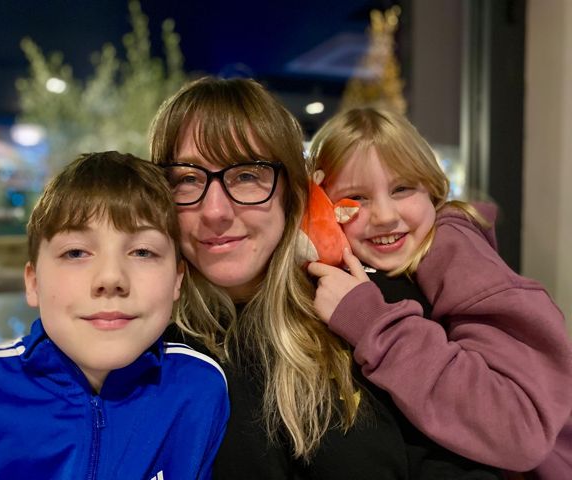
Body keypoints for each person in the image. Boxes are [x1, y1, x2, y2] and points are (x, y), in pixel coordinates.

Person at [150, 76, 502, 478]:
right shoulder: (144, 344)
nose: (215, 211)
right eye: (188, 179)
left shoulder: (371, 311)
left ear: (292, 193)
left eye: (247, 176)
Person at [307, 107, 572, 479]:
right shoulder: (365, 270)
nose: (384, 215)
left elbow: (519, 432)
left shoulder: (458, 256)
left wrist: (372, 323)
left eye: (402, 188)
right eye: (356, 198)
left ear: (433, 190)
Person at [0, 151, 228, 479]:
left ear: (177, 280)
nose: (111, 279)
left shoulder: (198, 388)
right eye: (76, 253)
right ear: (33, 283)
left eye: (143, 252)